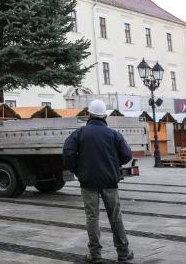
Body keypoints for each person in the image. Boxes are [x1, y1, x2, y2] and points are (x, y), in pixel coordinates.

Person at [63, 99, 134, 262]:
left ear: (89, 114)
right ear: (104, 116)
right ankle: (123, 252)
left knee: (92, 217)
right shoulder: (113, 134)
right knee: (115, 216)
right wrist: (113, 164)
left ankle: (95, 254)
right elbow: (127, 154)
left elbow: (67, 153)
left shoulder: (79, 133)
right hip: (110, 181)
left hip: (88, 181)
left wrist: (77, 169)